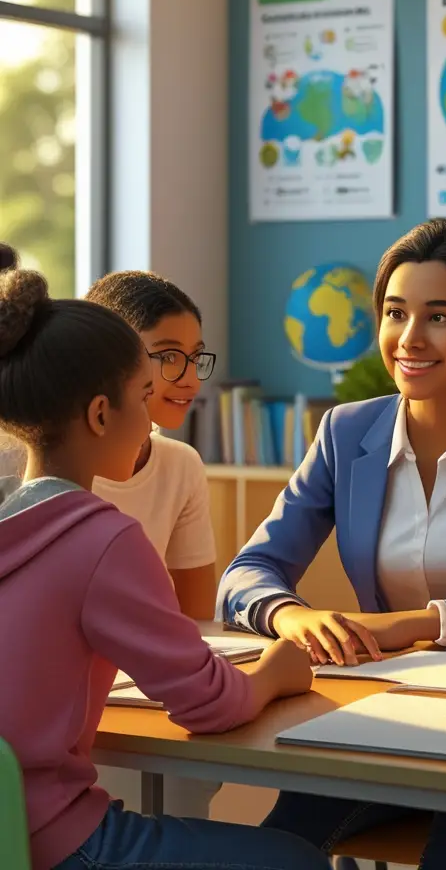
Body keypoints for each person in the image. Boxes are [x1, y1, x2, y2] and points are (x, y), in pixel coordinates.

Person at [218, 218, 446, 869]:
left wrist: (417, 624)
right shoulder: (345, 433)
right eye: (396, 313)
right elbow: (248, 571)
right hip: (379, 716)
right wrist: (290, 615)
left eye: (439, 317)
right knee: (279, 844)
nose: (410, 338)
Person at [0, 251, 329, 870]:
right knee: (297, 860)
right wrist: (278, 671)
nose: (156, 417)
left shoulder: (16, 519)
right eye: (144, 395)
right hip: (54, 836)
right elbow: (210, 703)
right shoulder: (103, 538)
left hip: (8, 831)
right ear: (102, 414)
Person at [85, 271, 222, 819]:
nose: (188, 378)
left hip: (150, 693)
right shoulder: (29, 461)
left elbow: (197, 620)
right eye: (168, 356)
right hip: (74, 711)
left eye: (195, 357)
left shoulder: (181, 464)